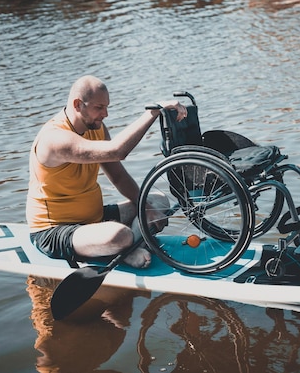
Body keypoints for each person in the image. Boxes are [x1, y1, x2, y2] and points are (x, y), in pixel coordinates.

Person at [26, 75, 187, 269]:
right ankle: (126, 250)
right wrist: (153, 111)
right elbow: (117, 151)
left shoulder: (96, 127)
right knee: (120, 236)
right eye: (99, 108)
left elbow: (118, 176)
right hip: (54, 231)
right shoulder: (54, 139)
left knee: (157, 200)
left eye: (107, 107)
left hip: (94, 218)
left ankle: (126, 246)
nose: (105, 114)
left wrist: (145, 207)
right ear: (78, 104)